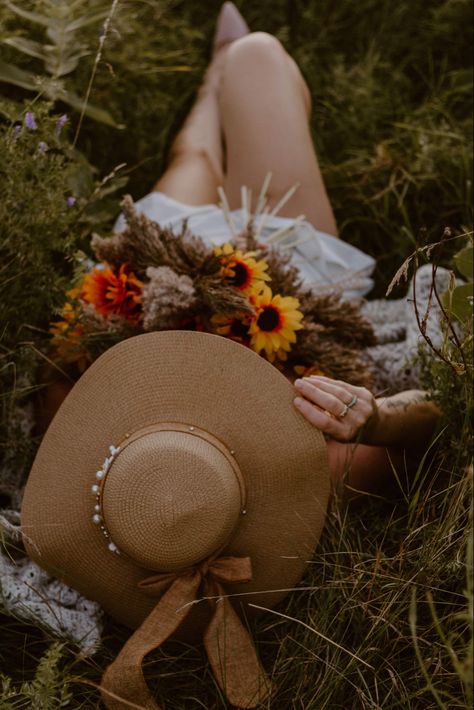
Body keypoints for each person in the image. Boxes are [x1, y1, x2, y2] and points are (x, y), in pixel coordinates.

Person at [110, 3, 444, 499]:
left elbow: (64, 371)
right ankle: (227, 71)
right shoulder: (307, 483)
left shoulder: (110, 485)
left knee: (194, 155)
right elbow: (440, 428)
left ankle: (214, 81)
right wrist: (374, 420)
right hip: (288, 279)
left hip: (147, 278)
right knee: (257, 57)